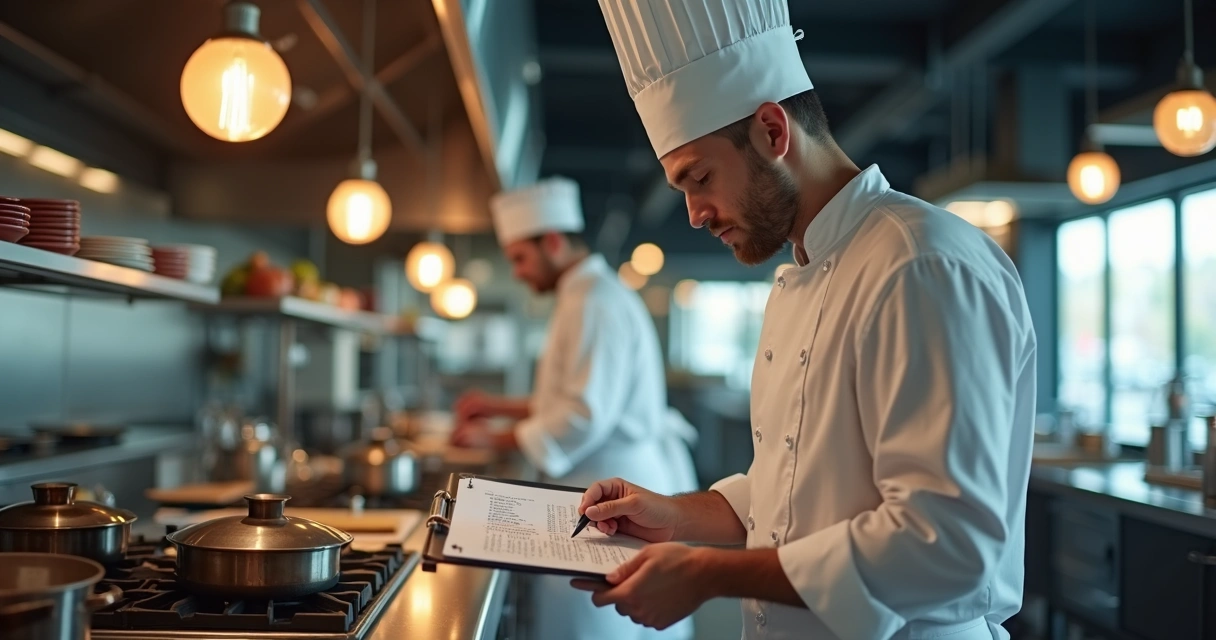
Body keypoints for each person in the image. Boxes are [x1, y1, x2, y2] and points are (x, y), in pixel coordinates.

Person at [571, 1, 1038, 639]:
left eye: (699, 178)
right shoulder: (803, 271)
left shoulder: (919, 265)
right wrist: (673, 515)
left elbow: (944, 546)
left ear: (772, 130)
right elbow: (791, 494)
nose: (694, 214)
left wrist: (709, 573)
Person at [450, 176, 697, 640]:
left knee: (592, 626)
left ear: (553, 241)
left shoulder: (593, 302)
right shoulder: (581, 296)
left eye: (520, 259)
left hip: (611, 490)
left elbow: (584, 415)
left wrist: (494, 436)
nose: (519, 273)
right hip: (602, 488)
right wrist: (496, 406)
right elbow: (565, 398)